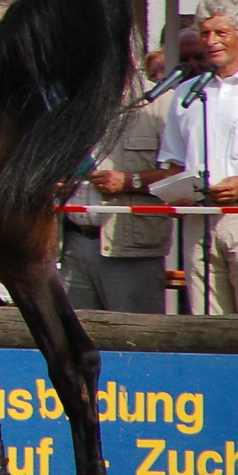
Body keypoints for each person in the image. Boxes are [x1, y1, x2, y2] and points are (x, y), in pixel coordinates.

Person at [156, 0, 238, 314]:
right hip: (198, 220)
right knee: (207, 323)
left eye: (220, 32)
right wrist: (174, 190)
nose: (211, 40)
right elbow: (173, 163)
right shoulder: (187, 92)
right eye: (205, 33)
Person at [68, 75, 169, 314]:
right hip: (71, 245)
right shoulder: (69, 99)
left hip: (130, 250)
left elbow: (183, 174)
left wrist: (129, 181)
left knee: (136, 339)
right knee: (76, 342)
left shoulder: (160, 101)